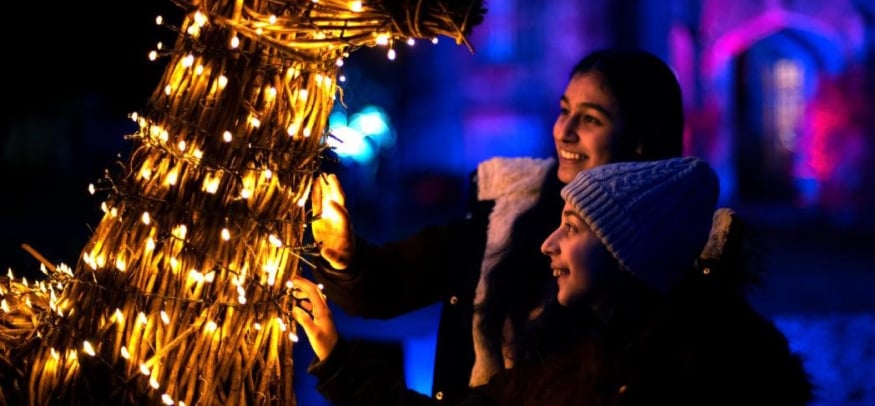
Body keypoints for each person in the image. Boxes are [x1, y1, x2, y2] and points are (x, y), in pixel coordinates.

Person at [308, 48, 686, 402]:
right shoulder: (511, 206)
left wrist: (342, 365)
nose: (564, 131)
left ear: (640, 140)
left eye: (590, 119)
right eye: (563, 110)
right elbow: (395, 280)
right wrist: (345, 257)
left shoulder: (667, 269)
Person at [292, 157, 814, 405]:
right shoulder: (578, 354)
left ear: (624, 249)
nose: (548, 245)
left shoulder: (708, 367)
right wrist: (338, 357)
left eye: (572, 229)